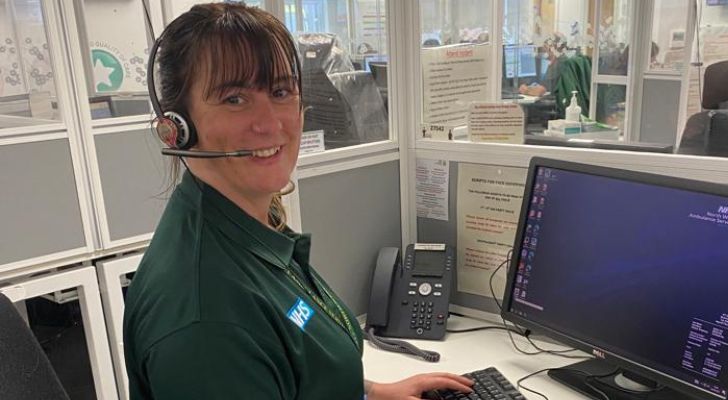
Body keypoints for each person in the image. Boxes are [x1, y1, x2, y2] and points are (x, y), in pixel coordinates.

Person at [122, 3, 473, 400]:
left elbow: (291, 361)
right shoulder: (207, 318)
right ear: (176, 128)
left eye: (280, 91)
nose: (270, 123)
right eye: (234, 98)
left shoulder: (247, 228)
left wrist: (373, 393)